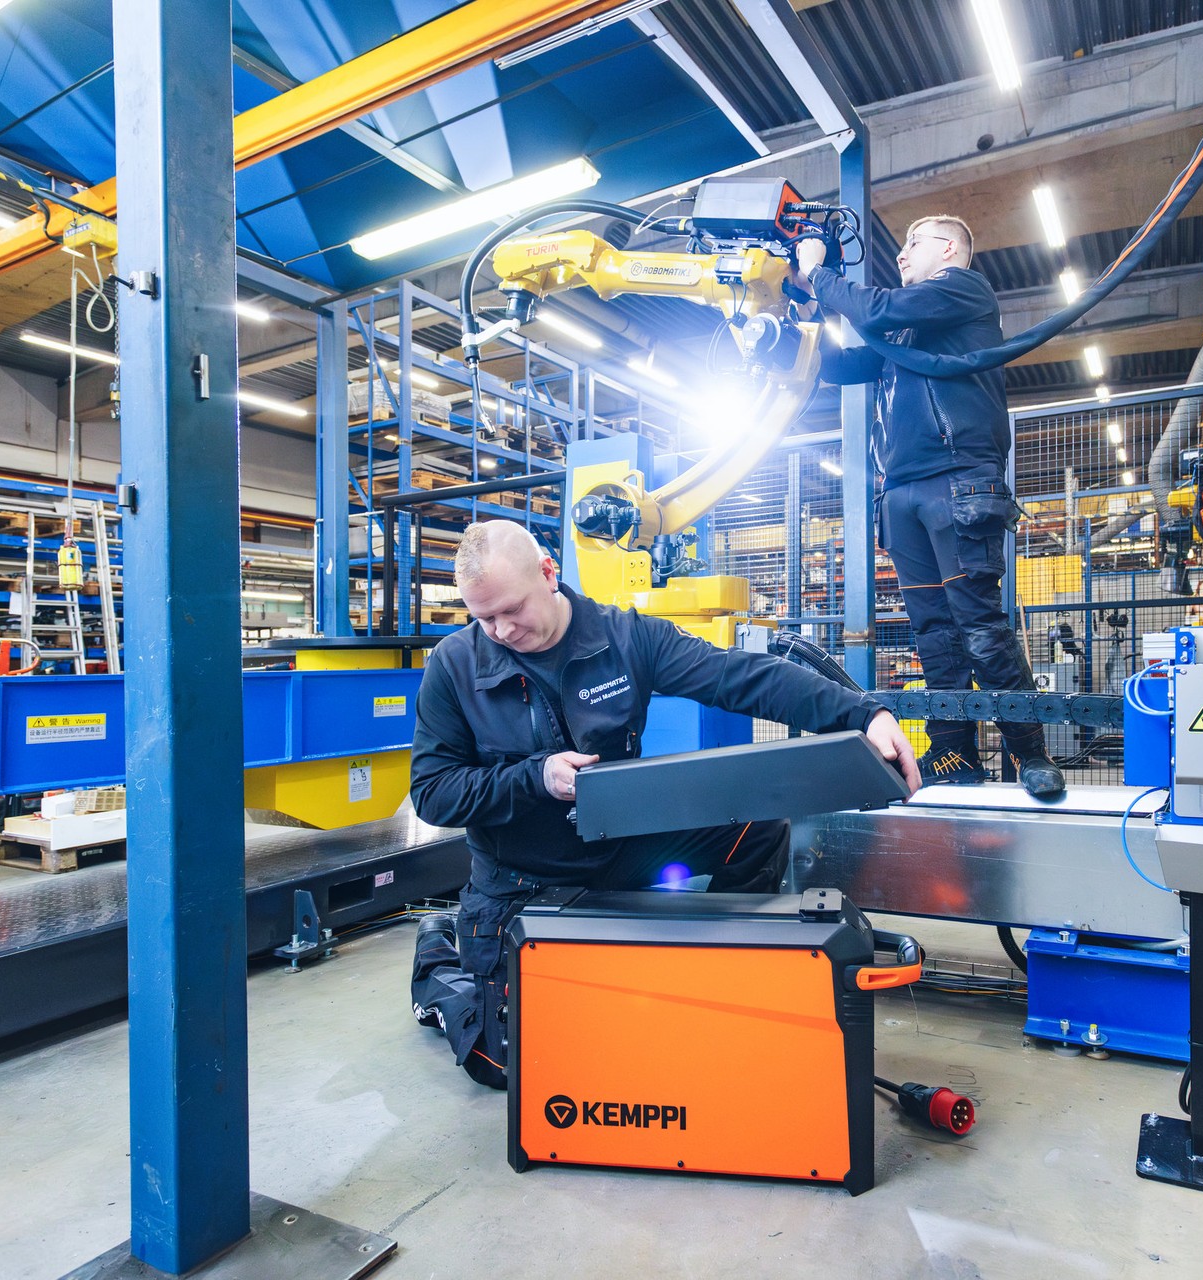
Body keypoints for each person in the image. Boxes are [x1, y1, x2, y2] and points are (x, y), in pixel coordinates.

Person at [408, 519, 921, 1087]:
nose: (500, 630)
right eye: (483, 618)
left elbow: (741, 677)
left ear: (548, 574)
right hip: (519, 878)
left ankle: (718, 972)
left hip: (617, 848)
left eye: (510, 610)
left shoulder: (626, 638)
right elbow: (433, 792)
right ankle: (440, 951)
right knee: (508, 1067)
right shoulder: (453, 667)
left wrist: (864, 713)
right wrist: (535, 777)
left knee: (757, 829)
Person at [792, 215, 1065, 801]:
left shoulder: (963, 290)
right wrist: (806, 313)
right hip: (904, 493)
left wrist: (819, 273)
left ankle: (1029, 752)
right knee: (933, 633)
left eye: (913, 243)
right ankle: (952, 755)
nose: (902, 254)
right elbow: (840, 366)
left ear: (947, 249)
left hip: (958, 480)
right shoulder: (906, 335)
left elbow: (881, 310)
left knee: (980, 626)